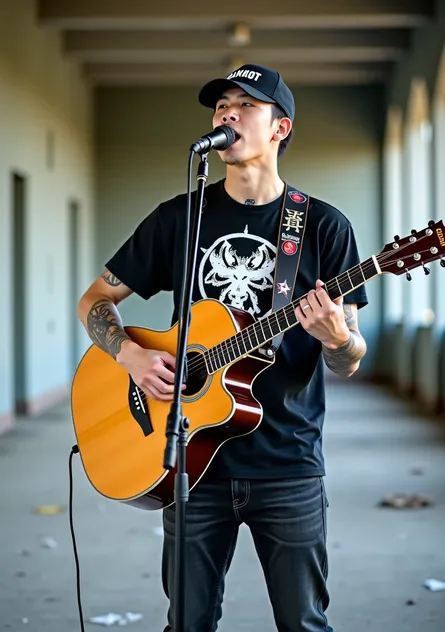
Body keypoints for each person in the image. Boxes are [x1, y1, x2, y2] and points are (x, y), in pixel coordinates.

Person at [77, 63, 368, 632]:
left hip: (288, 463)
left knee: (304, 625)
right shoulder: (180, 217)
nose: (227, 114)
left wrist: (338, 339)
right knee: (187, 625)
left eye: (246, 105)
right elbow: (95, 300)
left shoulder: (324, 228)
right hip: (189, 459)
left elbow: (349, 357)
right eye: (220, 106)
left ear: (280, 128)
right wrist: (130, 355)